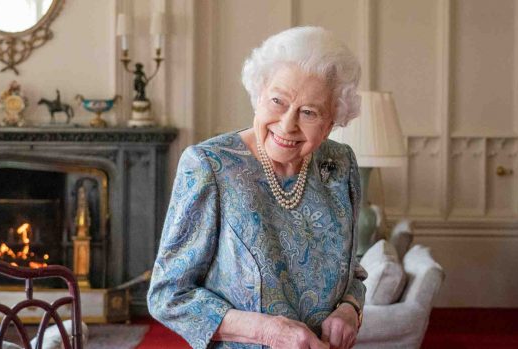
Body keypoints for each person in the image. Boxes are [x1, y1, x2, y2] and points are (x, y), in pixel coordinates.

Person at [148, 26, 367, 349]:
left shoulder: (340, 164)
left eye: (309, 112)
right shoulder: (209, 166)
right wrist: (268, 332)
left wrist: (350, 309)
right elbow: (168, 295)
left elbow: (353, 270)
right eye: (278, 101)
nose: (288, 124)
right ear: (259, 93)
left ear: (333, 120)